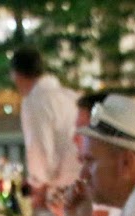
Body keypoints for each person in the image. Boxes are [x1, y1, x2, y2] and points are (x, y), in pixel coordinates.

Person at [10, 47, 80, 206]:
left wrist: (37, 184)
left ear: (16, 75)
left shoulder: (35, 100)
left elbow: (39, 148)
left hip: (62, 190)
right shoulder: (69, 95)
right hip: (84, 182)